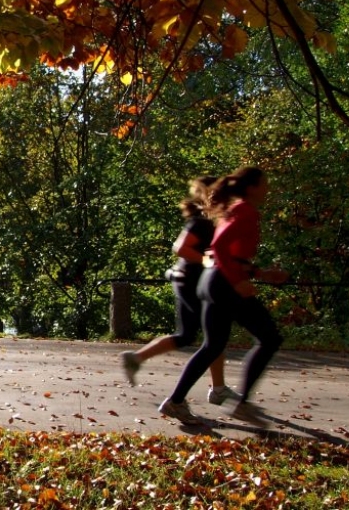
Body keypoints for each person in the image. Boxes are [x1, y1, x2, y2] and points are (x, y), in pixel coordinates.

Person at [158, 166, 289, 426]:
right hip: (224, 284)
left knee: (213, 346)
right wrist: (239, 281)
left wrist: (261, 273)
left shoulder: (235, 210)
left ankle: (175, 402)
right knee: (269, 338)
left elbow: (232, 254)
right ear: (252, 187)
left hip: (214, 281)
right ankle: (240, 405)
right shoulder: (245, 211)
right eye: (265, 182)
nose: (268, 187)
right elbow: (219, 248)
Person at [120, 176, 238, 406]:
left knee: (201, 337)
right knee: (205, 336)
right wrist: (208, 261)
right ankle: (217, 389)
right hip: (191, 282)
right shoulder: (201, 221)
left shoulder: (209, 220)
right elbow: (180, 247)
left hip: (193, 281)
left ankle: (218, 387)